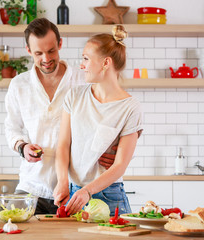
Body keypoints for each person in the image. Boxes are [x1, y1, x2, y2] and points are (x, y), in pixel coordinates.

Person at [4, 18, 116, 214]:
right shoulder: (19, 85)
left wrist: (115, 147)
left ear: (60, 44)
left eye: (51, 51)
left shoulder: (84, 79)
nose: (46, 59)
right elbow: (11, 128)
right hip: (33, 185)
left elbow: (117, 111)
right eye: (38, 53)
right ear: (28, 51)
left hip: (77, 187)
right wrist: (22, 147)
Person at [53, 25, 143, 216]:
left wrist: (88, 191)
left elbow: (120, 165)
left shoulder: (130, 107)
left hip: (110, 196)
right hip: (74, 193)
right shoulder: (74, 96)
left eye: (86, 58)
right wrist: (62, 181)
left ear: (105, 63)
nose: (81, 65)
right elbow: (63, 145)